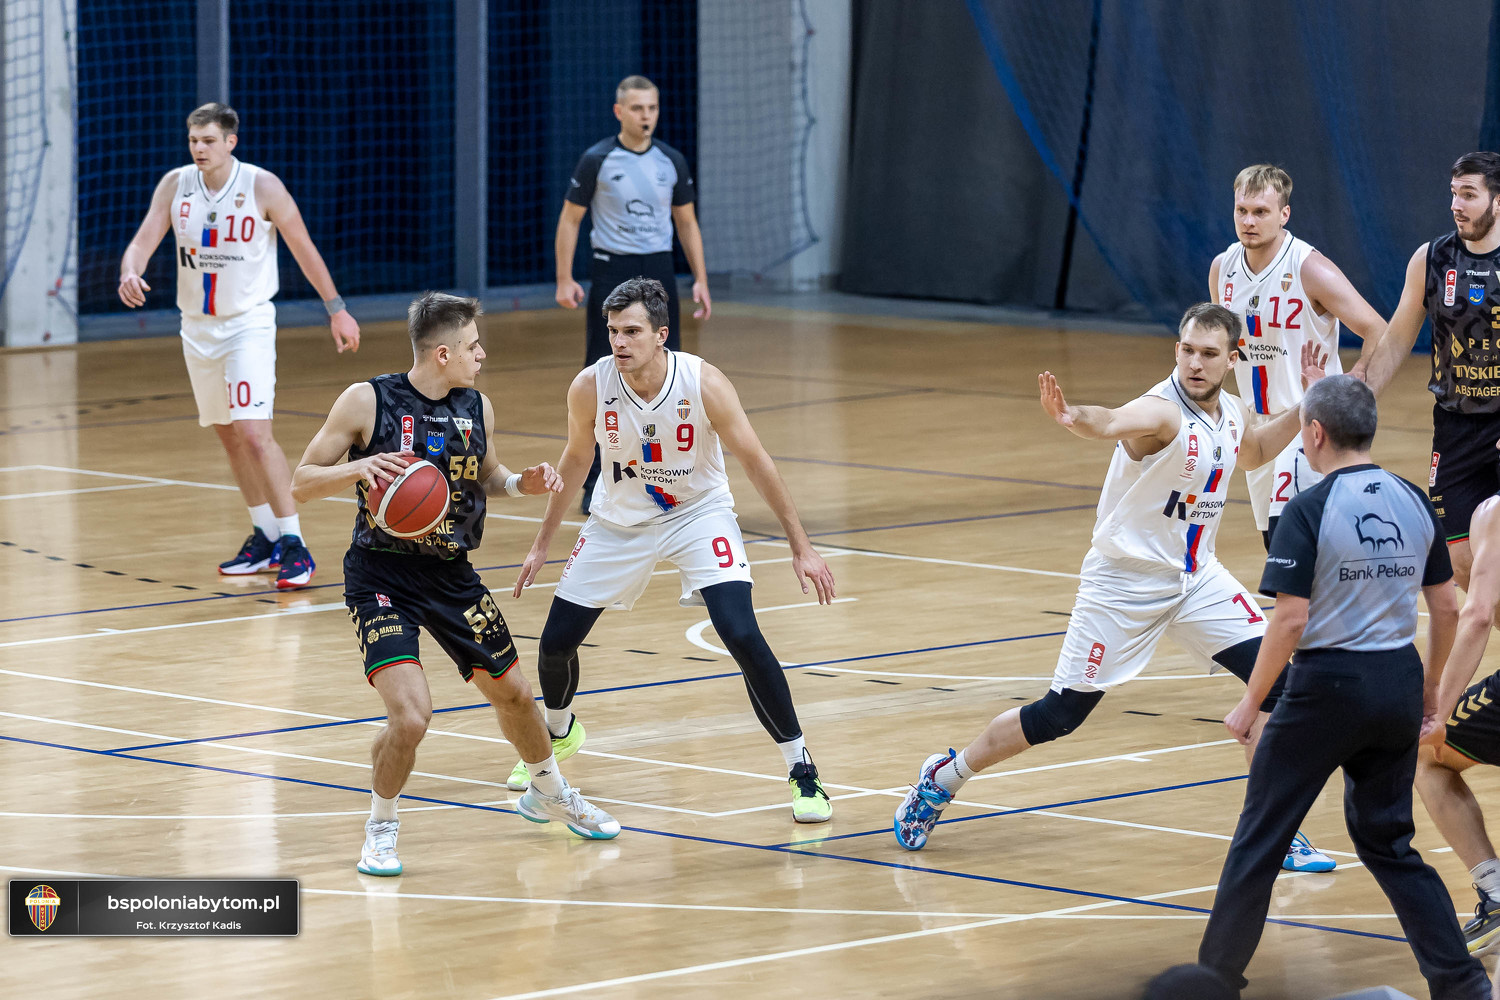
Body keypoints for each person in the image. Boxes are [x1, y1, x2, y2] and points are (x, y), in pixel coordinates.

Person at [893, 303, 1338, 871]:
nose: (1195, 363)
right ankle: (944, 777)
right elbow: (1109, 420)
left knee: (1279, 684)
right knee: (1058, 715)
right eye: (1187, 350)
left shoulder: (1230, 411)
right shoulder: (1161, 411)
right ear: (1176, 350)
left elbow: (1252, 451)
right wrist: (1072, 415)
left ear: (1233, 359)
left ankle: (1274, 831)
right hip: (1124, 585)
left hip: (1196, 579)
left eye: (1208, 354)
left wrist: (1307, 402)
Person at [291, 292, 620, 876]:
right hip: (381, 576)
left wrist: (520, 483)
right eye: (472, 346)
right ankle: (381, 826)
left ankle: (548, 791)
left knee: (517, 696)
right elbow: (301, 481)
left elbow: (484, 473)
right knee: (412, 717)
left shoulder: (477, 406)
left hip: (451, 574)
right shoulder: (368, 400)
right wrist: (358, 467)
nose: (482, 354)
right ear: (443, 353)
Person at [1193, 376, 1487, 1000]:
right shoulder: (1414, 499)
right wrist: (1431, 691)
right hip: (1397, 681)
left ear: (1314, 433)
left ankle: (1212, 983)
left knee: (1260, 838)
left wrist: (1250, 702)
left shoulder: (1307, 509)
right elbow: (1447, 608)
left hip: (1325, 689)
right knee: (1390, 843)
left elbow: (1290, 621)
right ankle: (1463, 984)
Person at [509, 277, 837, 823]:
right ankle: (559, 733)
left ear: (661, 334)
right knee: (554, 645)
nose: (619, 342)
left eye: (632, 331)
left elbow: (756, 461)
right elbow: (575, 460)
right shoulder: (590, 386)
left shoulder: (703, 383)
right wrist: (541, 544)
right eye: (613, 331)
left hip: (697, 513)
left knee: (741, 633)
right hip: (618, 520)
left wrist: (801, 546)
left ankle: (802, 769)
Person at [117, 102, 360, 589]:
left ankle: (295, 543)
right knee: (228, 435)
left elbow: (303, 247)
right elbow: (143, 240)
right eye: (193, 140)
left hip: (247, 325)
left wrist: (336, 309)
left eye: (208, 140)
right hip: (196, 328)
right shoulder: (175, 185)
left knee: (253, 433)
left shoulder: (261, 186)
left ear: (231, 141)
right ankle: (264, 535)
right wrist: (130, 270)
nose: (199, 148)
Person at [554, 74, 711, 508]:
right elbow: (570, 219)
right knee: (604, 373)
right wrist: (565, 278)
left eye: (652, 108)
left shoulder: (671, 161)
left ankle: (667, 478)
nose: (647, 116)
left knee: (668, 373)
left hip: (658, 269)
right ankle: (596, 482)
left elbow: (686, 222)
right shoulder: (597, 159)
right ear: (619, 111)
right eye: (638, 108)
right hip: (612, 270)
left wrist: (700, 277)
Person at [1210, 164, 1386, 548]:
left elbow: (1377, 329)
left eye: (1261, 212)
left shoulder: (1309, 268)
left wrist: (1358, 379)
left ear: (1284, 214)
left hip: (1309, 422)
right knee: (1274, 544)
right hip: (1258, 428)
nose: (1249, 221)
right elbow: (1221, 348)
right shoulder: (1223, 268)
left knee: (1295, 542)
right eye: (1242, 211)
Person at [1362, 152, 1500, 590]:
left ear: (1498, 201)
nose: (1457, 205)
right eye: (1454, 194)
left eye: (1469, 195)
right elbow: (1397, 340)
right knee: (1462, 565)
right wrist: (1359, 401)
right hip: (1454, 428)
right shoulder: (1432, 258)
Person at [1415, 490, 1500, 954]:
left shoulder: (1494, 512)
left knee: (1427, 756)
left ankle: (1497, 894)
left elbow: (1477, 616)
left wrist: (1438, 710)